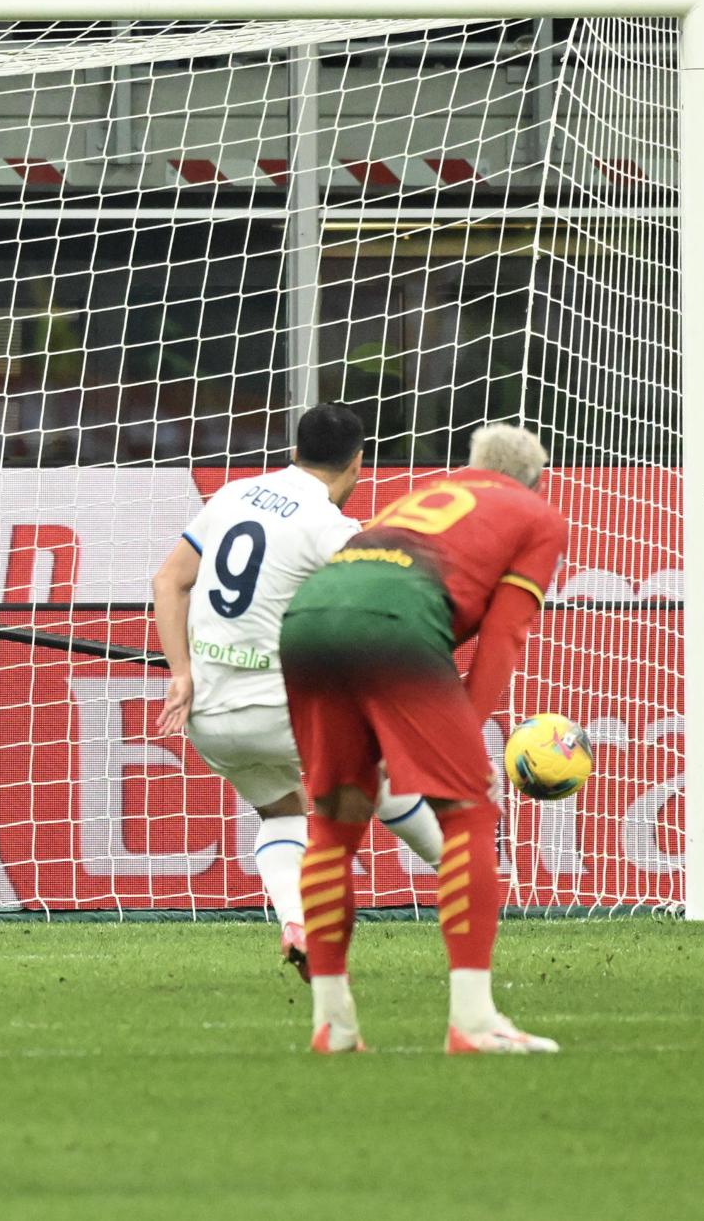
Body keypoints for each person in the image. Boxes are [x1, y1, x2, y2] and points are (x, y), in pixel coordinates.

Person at [280, 422, 567, 1055]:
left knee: (334, 820)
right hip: (396, 624)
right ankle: (473, 1021)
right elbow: (503, 638)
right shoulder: (536, 515)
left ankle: (333, 1025)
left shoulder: (418, 499)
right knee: (467, 809)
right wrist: (466, 731)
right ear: (534, 480)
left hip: (306, 619)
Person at [153, 404, 443, 978]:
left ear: (293, 451)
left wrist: (181, 672)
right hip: (281, 708)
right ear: (358, 464)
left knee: (281, 812)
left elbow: (169, 580)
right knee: (377, 774)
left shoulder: (234, 495)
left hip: (208, 715)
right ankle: (461, 869)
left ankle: (296, 922)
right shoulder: (331, 527)